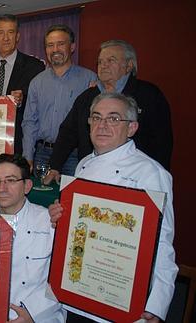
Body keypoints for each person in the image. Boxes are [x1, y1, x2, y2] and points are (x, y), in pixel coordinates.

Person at [49, 93, 177, 322]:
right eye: (96, 117)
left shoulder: (150, 173)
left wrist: (156, 306)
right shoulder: (84, 163)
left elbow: (162, 244)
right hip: (80, 287)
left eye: (114, 119)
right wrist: (61, 217)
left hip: (119, 292)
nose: (102, 125)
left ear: (132, 128)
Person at [46, 40, 173, 184]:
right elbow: (68, 133)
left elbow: (162, 142)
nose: (103, 65)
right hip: (91, 173)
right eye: (100, 62)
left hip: (133, 179)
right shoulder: (86, 97)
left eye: (110, 60)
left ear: (129, 65)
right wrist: (55, 166)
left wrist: (156, 176)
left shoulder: (149, 95)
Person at [0, 154, 65, 322]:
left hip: (40, 315)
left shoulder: (49, 223)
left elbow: (63, 281)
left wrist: (31, 314)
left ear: (27, 186)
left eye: (10, 180)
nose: (1, 188)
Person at [21, 25, 96, 175]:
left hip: (74, 155)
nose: (55, 49)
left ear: (72, 47)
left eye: (61, 44)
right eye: (50, 45)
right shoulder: (37, 82)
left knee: (69, 198)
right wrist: (27, 156)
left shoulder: (90, 79)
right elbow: (30, 122)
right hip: (42, 154)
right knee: (41, 197)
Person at [0, 14, 45, 154]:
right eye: (1, 33)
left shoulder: (34, 66)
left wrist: (21, 99)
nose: (6, 38)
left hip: (16, 140)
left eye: (11, 32)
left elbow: (39, 103)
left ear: (18, 36)